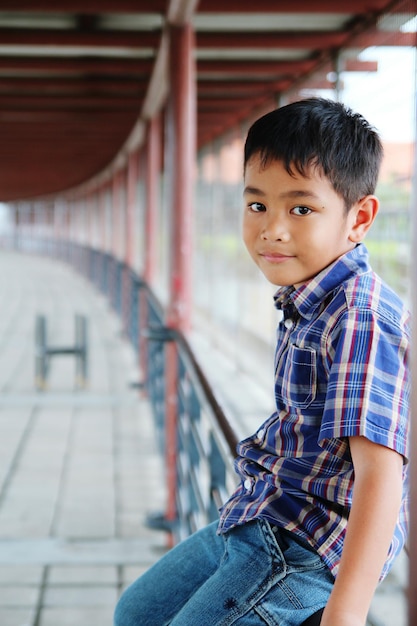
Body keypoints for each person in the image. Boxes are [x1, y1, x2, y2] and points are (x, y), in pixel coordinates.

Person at [114, 98, 410, 626]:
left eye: (301, 209)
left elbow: (381, 474)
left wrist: (345, 613)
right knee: (135, 613)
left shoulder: (358, 316)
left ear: (359, 218)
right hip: (260, 512)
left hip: (301, 546)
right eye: (257, 206)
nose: (273, 229)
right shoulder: (309, 295)